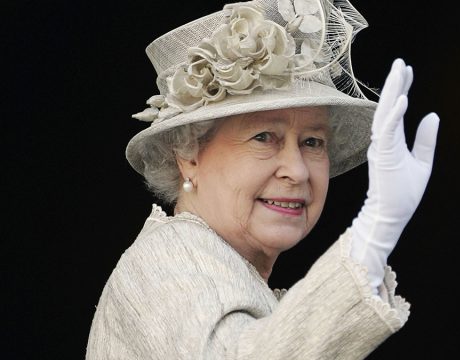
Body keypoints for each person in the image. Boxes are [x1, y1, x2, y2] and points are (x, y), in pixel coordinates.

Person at [86, 0, 440, 358]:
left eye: (312, 142)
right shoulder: (170, 262)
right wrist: (375, 231)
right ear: (188, 154)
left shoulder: (224, 270)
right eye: (264, 137)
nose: (298, 170)